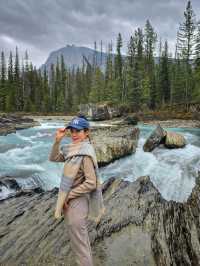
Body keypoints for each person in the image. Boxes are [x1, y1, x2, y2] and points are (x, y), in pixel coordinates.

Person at [48, 114, 105, 266]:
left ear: (86, 132)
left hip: (76, 205)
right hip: (73, 203)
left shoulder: (85, 153)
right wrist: (58, 140)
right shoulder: (73, 149)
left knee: (80, 249)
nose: (74, 134)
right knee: (81, 244)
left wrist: (68, 196)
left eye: (78, 131)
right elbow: (53, 158)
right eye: (72, 131)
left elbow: (91, 183)